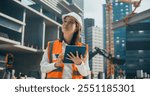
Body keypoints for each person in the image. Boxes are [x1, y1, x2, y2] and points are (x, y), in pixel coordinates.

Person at [40, 12, 90, 79]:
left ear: (76, 28)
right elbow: (43, 68)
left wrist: (79, 64)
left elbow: (86, 72)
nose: (66, 24)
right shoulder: (51, 46)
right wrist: (55, 65)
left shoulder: (83, 48)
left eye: (70, 22)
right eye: (65, 21)